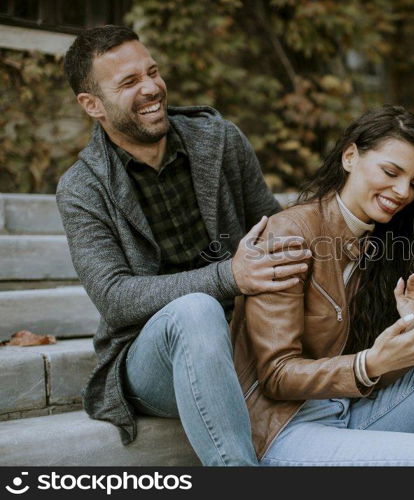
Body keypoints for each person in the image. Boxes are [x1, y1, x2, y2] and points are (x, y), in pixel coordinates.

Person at [56, 25, 310, 466]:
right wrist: (228, 276)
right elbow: (115, 298)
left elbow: (273, 227)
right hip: (151, 360)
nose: (153, 88)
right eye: (130, 82)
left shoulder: (220, 140)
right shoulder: (82, 188)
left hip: (249, 337)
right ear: (91, 104)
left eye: (152, 72)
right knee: (196, 309)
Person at [231, 105, 414, 466]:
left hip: (351, 415)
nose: (402, 192)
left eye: (413, 183)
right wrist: (368, 363)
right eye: (391, 172)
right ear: (350, 156)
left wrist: (408, 329)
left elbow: (373, 372)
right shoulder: (290, 234)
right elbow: (276, 374)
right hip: (289, 432)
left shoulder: (384, 242)